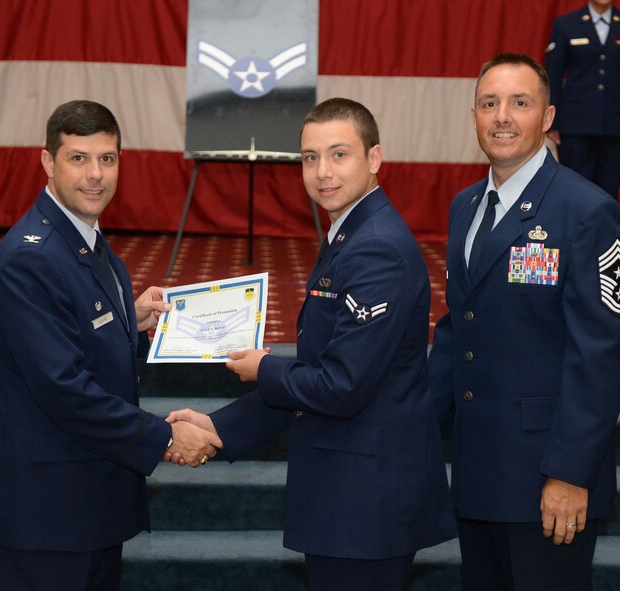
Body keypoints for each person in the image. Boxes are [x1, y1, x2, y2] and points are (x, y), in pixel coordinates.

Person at [169, 97, 456, 590]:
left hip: (365, 502)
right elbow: (319, 370)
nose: (323, 172)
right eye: (310, 157)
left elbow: (341, 385)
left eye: (339, 154)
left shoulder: (376, 247)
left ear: (374, 158)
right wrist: (219, 427)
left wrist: (264, 368)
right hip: (350, 493)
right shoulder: (350, 234)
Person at [0, 100, 222, 590]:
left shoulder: (86, 239)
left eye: (107, 159)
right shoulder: (32, 257)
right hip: (46, 515)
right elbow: (63, 387)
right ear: (48, 162)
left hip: (88, 504)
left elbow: (77, 337)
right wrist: (166, 438)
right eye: (78, 158)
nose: (95, 175)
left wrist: (131, 322)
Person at [429, 54, 620, 590]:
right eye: (489, 103)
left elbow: (601, 357)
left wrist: (569, 472)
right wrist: (415, 422)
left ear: (546, 117)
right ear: (474, 115)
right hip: (477, 472)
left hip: (548, 480)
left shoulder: (587, 212)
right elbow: (460, 326)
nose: (502, 116)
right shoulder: (465, 207)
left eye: (519, 103)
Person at [545, 0, 620, 198]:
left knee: (608, 194)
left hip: (618, 124)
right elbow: (553, 77)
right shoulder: (565, 24)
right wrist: (551, 122)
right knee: (575, 191)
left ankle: (604, 222)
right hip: (575, 125)